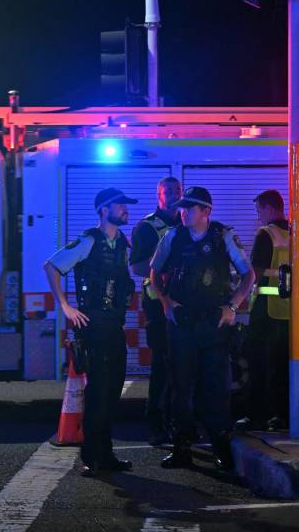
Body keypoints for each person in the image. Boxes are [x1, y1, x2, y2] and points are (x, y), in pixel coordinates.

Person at [149, 186, 255, 470]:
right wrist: (166, 303)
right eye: (181, 208)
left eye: (189, 208)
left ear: (206, 211)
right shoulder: (173, 236)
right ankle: (181, 448)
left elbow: (248, 275)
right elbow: (154, 272)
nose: (182, 212)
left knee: (216, 388)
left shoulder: (223, 236)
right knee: (181, 386)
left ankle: (221, 447)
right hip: (182, 322)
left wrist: (232, 306)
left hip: (213, 322)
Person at [44, 187, 137, 477]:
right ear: (103, 209)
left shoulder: (123, 242)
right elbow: (51, 267)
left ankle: (105, 454)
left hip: (113, 325)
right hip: (93, 325)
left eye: (126, 205)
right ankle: (93, 457)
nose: (125, 209)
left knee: (111, 392)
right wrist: (65, 306)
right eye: (120, 205)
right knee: (97, 393)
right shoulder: (88, 241)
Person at [129, 176, 182, 446]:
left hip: (185, 306)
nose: (173, 194)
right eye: (168, 191)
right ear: (159, 195)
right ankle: (156, 425)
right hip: (158, 306)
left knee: (183, 366)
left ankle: (179, 423)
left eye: (177, 190)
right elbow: (137, 267)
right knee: (162, 365)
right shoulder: (147, 228)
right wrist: (163, 264)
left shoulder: (188, 224)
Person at [245, 190, 296, 431]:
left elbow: (254, 273)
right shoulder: (298, 233)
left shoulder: (265, 234)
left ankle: (257, 417)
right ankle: (283, 416)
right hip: (290, 313)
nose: (258, 217)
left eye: (258, 211)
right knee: (284, 367)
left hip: (265, 312)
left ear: (267, 208)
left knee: (258, 366)